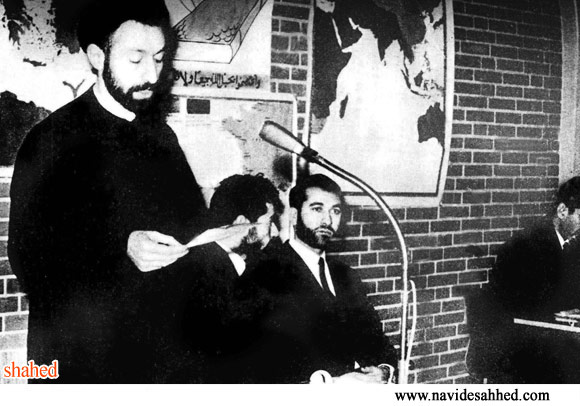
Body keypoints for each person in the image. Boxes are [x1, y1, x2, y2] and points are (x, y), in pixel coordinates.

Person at [8, 0, 207, 383]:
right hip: (81, 362)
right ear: (97, 57)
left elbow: (191, 223)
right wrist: (121, 248)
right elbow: (28, 257)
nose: (152, 74)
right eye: (136, 59)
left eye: (159, 59)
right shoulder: (50, 141)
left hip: (157, 359)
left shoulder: (163, 138)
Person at [237, 174, 397, 383]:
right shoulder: (265, 272)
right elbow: (259, 364)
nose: (327, 220)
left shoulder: (346, 275)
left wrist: (384, 370)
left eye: (335, 211)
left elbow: (376, 340)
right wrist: (331, 383)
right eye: (317, 209)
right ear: (294, 216)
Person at [163, 174, 285, 383]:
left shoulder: (232, 262)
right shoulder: (198, 272)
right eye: (269, 221)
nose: (274, 232)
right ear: (242, 222)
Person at [468, 176, 580, 383]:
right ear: (563, 211)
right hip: (519, 348)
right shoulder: (528, 246)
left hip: (547, 340)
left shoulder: (569, 245)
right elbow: (525, 304)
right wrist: (564, 310)